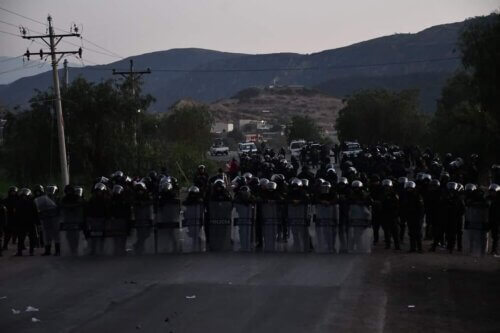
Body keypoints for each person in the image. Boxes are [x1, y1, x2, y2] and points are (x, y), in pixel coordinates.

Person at [401, 181, 425, 253]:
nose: (409, 189)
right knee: (411, 233)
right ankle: (413, 248)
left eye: (410, 188)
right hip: (409, 217)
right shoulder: (405, 196)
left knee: (418, 233)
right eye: (408, 188)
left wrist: (420, 218)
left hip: (417, 217)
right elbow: (404, 207)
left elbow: (421, 208)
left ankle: (420, 248)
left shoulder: (417, 196)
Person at [442, 182, 465, 253]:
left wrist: (457, 214)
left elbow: (462, 209)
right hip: (449, 217)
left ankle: (459, 246)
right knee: (449, 232)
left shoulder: (458, 199)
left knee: (458, 232)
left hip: (457, 218)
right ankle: (450, 246)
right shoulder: (446, 197)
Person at [15, 188, 38, 256]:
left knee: (29, 237)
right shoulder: (29, 202)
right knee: (22, 238)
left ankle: (29, 251)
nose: (24, 197)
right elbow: (17, 214)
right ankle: (23, 252)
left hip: (28, 222)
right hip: (25, 222)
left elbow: (35, 213)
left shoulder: (30, 202)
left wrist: (37, 222)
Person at [380, 179, 401, 250]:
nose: (386, 188)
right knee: (386, 231)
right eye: (385, 186)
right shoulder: (382, 194)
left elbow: (397, 205)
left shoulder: (394, 194)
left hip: (393, 215)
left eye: (387, 186)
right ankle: (388, 245)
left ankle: (397, 245)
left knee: (395, 231)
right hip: (385, 214)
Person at [2, 186, 18, 251]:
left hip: (16, 218)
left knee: (18, 233)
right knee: (7, 233)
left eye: (14, 192)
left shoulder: (18, 199)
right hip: (8, 218)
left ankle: (21, 246)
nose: (13, 193)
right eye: (11, 192)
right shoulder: (6, 200)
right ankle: (5, 245)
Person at [488, 184, 500, 255]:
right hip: (491, 219)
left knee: (496, 236)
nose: (491, 193)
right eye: (491, 191)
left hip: (497, 220)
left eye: (493, 191)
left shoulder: (498, 200)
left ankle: (494, 250)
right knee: (493, 235)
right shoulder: (490, 198)